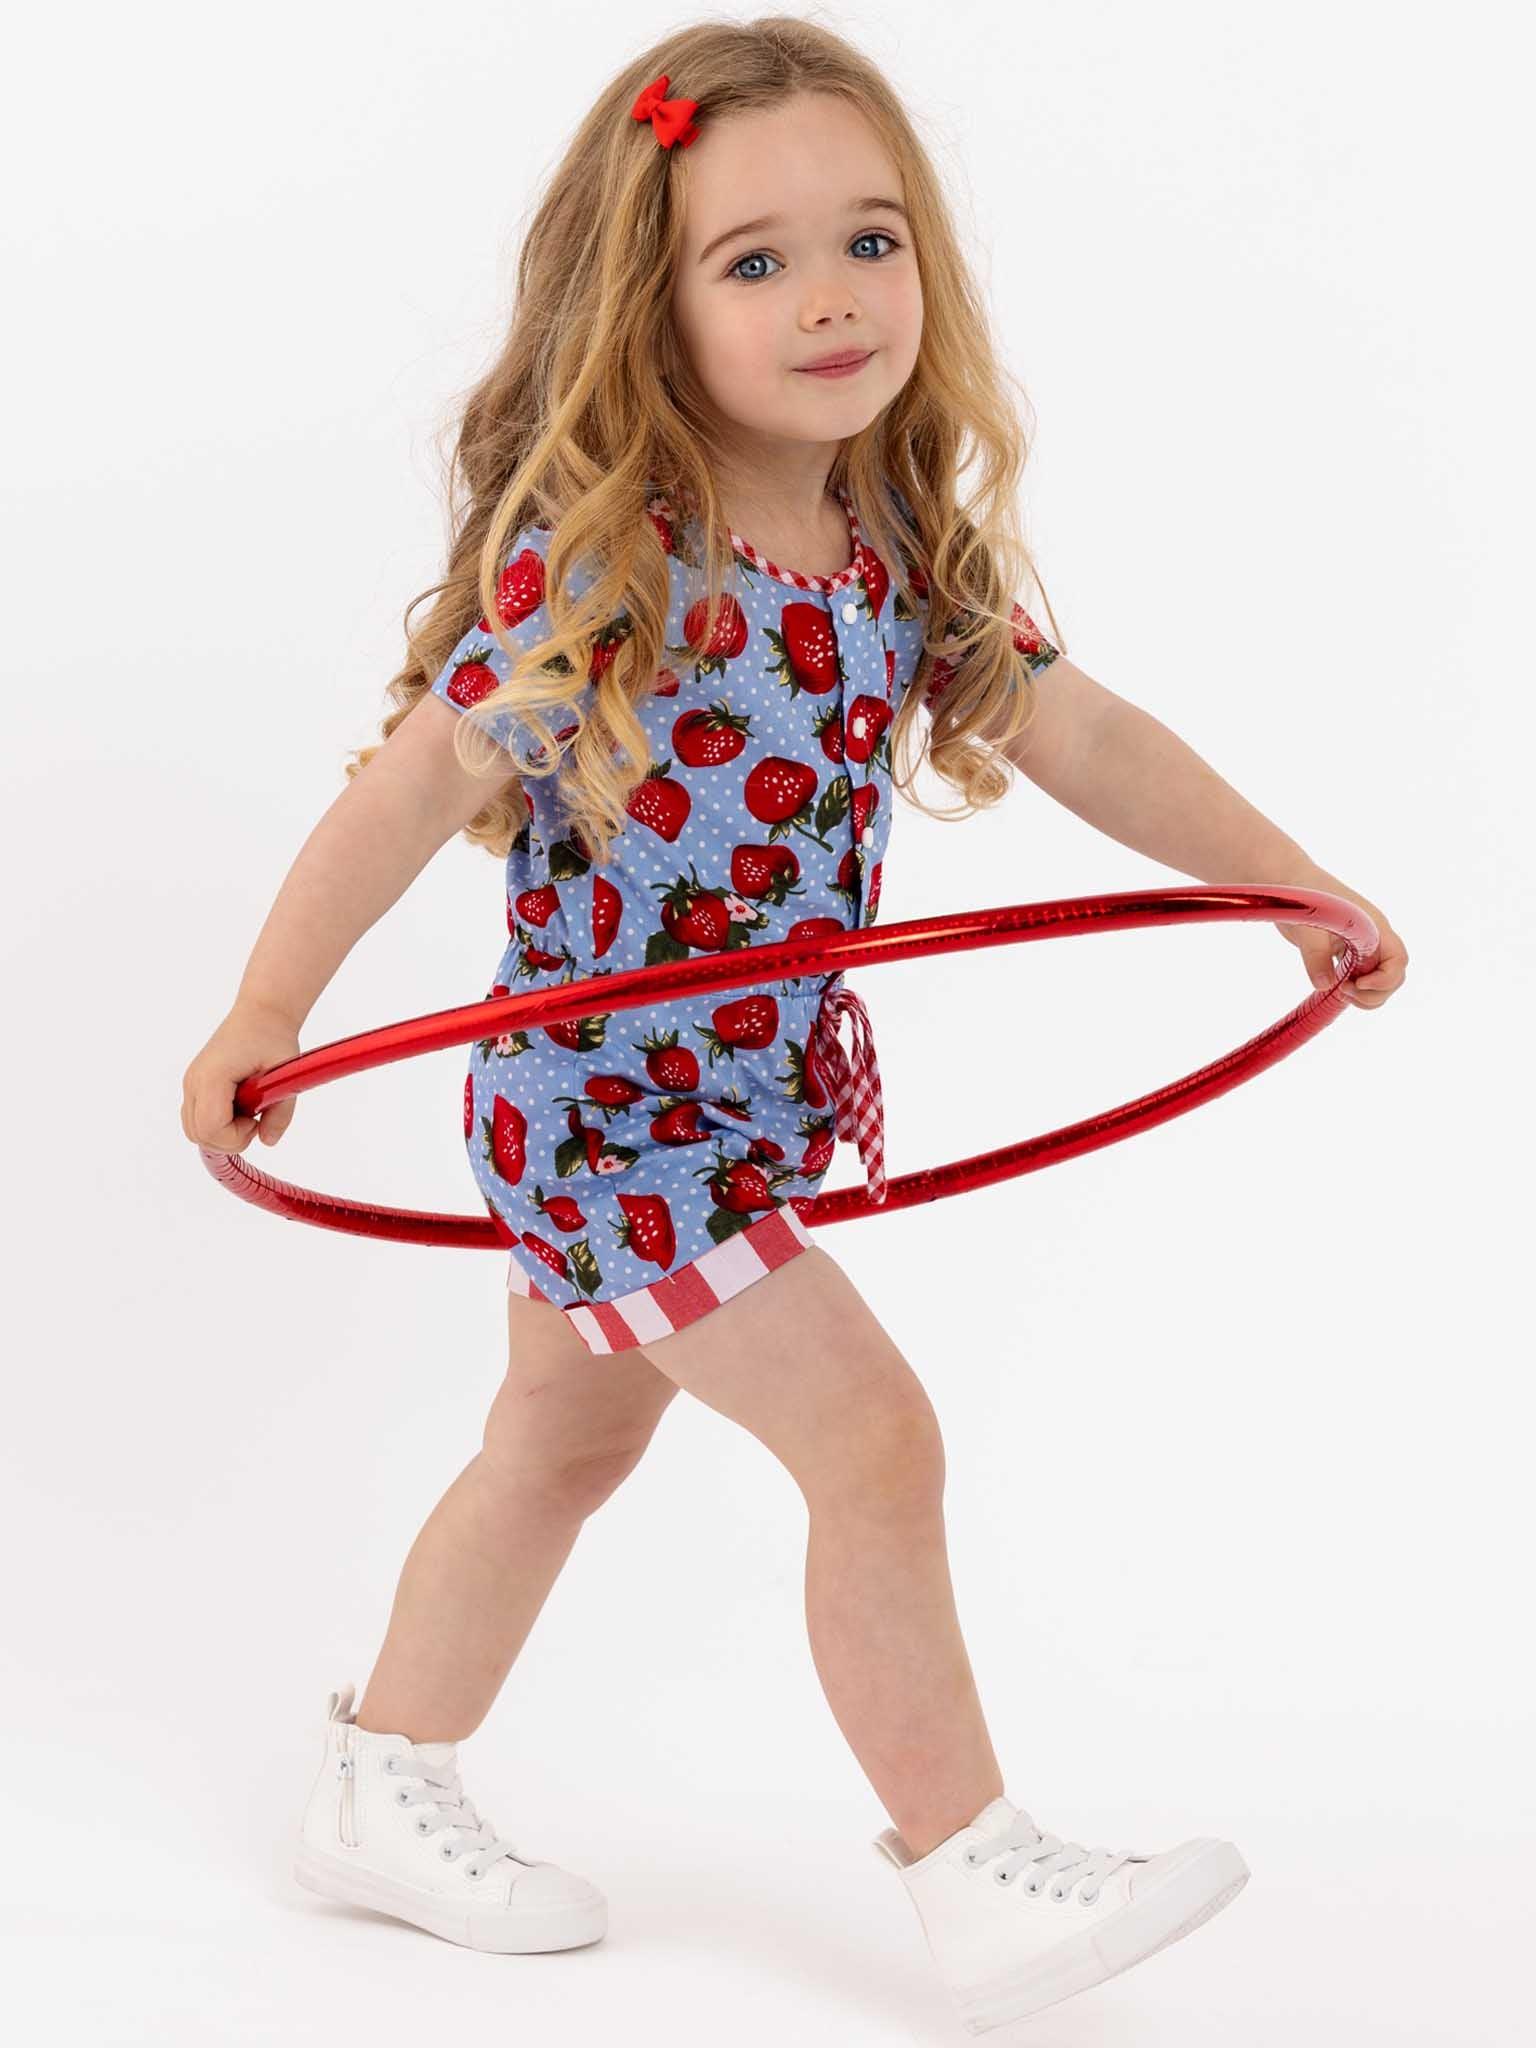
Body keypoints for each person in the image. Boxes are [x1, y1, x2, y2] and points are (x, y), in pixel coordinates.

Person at [179, 18, 1407, 2031]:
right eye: (752, 261)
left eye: (870, 239)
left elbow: (1080, 729)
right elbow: (410, 782)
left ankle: (380, 1781)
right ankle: (970, 1865)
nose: (832, 297)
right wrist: (265, 1008)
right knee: (876, 1436)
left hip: (733, 1097)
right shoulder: (613, 558)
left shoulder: (904, 550)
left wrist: (1295, 887)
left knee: (556, 1452)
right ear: (641, 310)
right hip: (607, 1114)